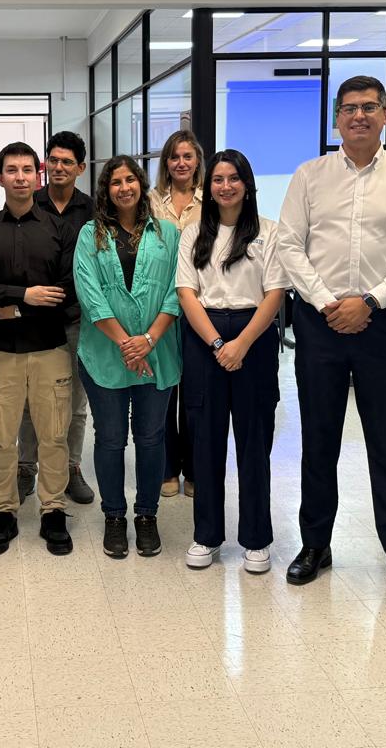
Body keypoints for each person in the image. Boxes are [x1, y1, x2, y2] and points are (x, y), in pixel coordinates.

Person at [278, 75, 386, 597]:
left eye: (369, 107)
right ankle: (315, 545)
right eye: (349, 108)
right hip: (319, 323)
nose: (359, 116)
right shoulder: (310, 176)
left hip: (381, 324)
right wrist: (328, 301)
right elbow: (289, 245)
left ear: (385, 114)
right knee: (318, 439)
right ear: (336, 119)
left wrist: (369, 301)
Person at [178, 150, 287, 573]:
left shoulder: (268, 231)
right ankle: (206, 536)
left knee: (254, 443)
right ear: (210, 187)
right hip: (205, 337)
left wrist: (240, 344)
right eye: (218, 179)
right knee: (205, 443)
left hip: (253, 338)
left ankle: (257, 539)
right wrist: (219, 342)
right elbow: (186, 293)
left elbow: (275, 294)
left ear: (247, 184)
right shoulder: (194, 234)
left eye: (234, 178)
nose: (225, 186)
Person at [0, 142, 78, 556]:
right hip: (1, 352)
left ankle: (53, 510)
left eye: (27, 170)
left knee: (53, 436)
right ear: (0, 178)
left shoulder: (60, 230)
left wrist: (12, 307)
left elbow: (67, 289)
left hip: (50, 349)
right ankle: (3, 511)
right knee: (0, 437)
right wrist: (26, 296)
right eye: (11, 170)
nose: (20, 177)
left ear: (38, 176)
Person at [74, 156, 180, 558]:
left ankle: (147, 515)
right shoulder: (91, 235)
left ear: (141, 184)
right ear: (106, 190)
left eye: (130, 179)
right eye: (115, 182)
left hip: (158, 352)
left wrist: (148, 340)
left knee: (151, 438)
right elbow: (89, 294)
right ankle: (115, 516)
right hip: (105, 354)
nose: (124, 188)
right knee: (111, 437)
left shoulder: (168, 234)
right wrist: (127, 344)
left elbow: (178, 290)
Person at [18, 132, 95, 506]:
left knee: (76, 402)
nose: (58, 167)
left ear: (80, 168)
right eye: (53, 160)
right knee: (30, 400)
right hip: (34, 319)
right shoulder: (29, 204)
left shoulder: (92, 210)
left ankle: (71, 467)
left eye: (67, 162)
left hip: (79, 318)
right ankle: (25, 466)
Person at [149, 129, 205, 499]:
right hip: (161, 307)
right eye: (174, 156)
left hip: (200, 305)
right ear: (166, 163)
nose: (181, 163)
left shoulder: (211, 198)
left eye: (187, 156)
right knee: (165, 391)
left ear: (197, 160)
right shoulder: (151, 201)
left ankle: (195, 470)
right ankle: (168, 468)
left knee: (197, 393)